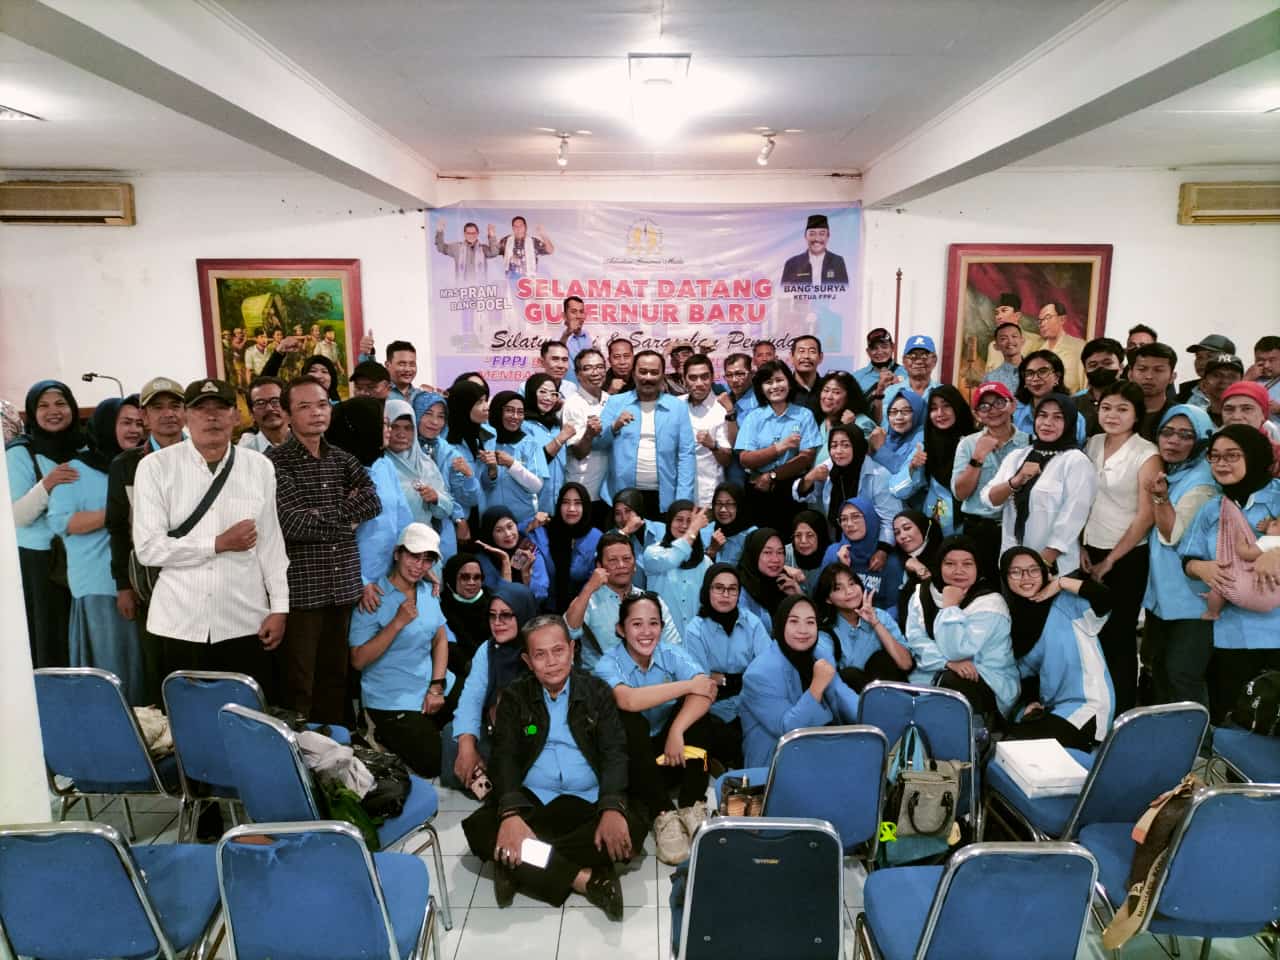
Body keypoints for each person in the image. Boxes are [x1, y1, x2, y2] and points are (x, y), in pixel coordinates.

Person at [462, 614, 644, 919]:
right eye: (540, 655)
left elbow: (614, 752)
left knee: (633, 830)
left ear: (572, 649)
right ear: (527, 661)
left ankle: (518, 861)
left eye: (558, 651)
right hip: (533, 803)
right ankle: (585, 879)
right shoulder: (515, 697)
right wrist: (510, 814)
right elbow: (504, 756)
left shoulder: (597, 692)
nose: (551, 662)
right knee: (480, 830)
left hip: (588, 802)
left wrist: (612, 807)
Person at [133, 378, 288, 697]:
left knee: (245, 714)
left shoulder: (259, 467)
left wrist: (280, 608)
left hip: (245, 619)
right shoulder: (155, 468)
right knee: (184, 717)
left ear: (236, 416)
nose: (212, 416)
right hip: (178, 621)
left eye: (221, 408)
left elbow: (271, 543)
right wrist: (217, 544)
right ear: (186, 417)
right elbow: (148, 549)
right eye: (201, 409)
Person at [268, 376, 380, 723]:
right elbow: (294, 523)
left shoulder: (343, 458)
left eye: (322, 405)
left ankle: (334, 744)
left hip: (342, 587)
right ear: (287, 415)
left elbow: (372, 502)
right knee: (299, 683)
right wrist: (346, 518)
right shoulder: (275, 462)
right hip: (302, 591)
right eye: (304, 407)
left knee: (336, 680)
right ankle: (300, 749)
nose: (317, 413)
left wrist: (323, 514)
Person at [595, 593, 715, 864]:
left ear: (662, 626)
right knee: (630, 718)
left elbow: (707, 690)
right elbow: (629, 700)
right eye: (637, 624)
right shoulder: (607, 664)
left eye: (653, 623)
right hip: (632, 766)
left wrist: (677, 730)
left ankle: (691, 805)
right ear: (620, 629)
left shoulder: (671, 653)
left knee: (699, 715)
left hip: (671, 754)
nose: (646, 632)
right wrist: (688, 685)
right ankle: (663, 814)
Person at [1177, 425, 1280, 720]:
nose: (1222, 464)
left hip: (1277, 634)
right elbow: (1188, 557)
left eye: (1232, 455)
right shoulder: (1213, 508)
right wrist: (1201, 568)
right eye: (1215, 456)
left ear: (1254, 455)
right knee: (1235, 718)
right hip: (1233, 635)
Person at [48, 397, 145, 703]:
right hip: (100, 584)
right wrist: (118, 513)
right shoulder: (75, 470)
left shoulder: (142, 464)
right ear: (105, 425)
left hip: (142, 580)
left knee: (142, 670)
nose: (134, 429)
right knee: (116, 670)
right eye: (125, 422)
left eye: (139, 423)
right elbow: (61, 522)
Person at [106, 376, 186, 703]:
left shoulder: (204, 454)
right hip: (150, 583)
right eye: (158, 407)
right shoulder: (126, 465)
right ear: (145, 416)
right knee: (160, 664)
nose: (168, 414)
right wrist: (123, 586)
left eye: (175, 406)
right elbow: (117, 528)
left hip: (201, 578)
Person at [1081, 381, 1160, 714]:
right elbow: (1081, 498)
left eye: (1122, 409)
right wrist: (1080, 544)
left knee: (1119, 635)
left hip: (1127, 556)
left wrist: (1111, 560)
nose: (1112, 415)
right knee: (1089, 635)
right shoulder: (1092, 443)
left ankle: (1123, 711)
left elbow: (1146, 516)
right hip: (1089, 551)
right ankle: (1094, 709)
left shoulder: (1147, 454)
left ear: (1136, 414)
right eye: (1106, 408)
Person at [348, 523, 451, 777]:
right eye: (414, 556)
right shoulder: (373, 597)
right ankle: (375, 732)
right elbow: (358, 660)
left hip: (429, 686)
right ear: (397, 554)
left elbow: (440, 639)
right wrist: (396, 623)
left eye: (427, 560)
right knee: (433, 764)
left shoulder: (428, 591)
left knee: (479, 716)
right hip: (391, 698)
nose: (419, 566)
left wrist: (437, 686)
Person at [1000, 547, 1114, 750]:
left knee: (1026, 748)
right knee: (1010, 747)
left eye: (1034, 570)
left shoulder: (1067, 603)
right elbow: (1026, 675)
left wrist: (1062, 583)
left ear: (1044, 572)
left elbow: (1106, 598)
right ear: (1005, 578)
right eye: (1016, 572)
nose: (1026, 577)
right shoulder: (1014, 621)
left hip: (1088, 705)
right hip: (1051, 708)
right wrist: (1029, 703)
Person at [1140, 405, 1216, 708]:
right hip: (1165, 597)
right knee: (1159, 669)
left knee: (1182, 675)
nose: (1173, 441)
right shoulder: (1175, 472)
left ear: (1201, 441)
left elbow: (1172, 534)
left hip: (1192, 600)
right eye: (1167, 432)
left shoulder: (1202, 482)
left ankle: (1198, 737)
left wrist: (1160, 498)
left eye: (1186, 435)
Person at [903, 536, 1018, 724]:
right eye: (950, 564)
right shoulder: (922, 593)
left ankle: (973, 735)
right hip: (931, 674)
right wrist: (947, 663)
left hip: (986, 679)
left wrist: (950, 606)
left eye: (967, 564)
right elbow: (916, 640)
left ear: (977, 567)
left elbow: (958, 650)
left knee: (954, 681)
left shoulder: (990, 602)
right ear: (939, 565)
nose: (959, 571)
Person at [8, 379, 81, 668]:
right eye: (43, 406)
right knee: (51, 637)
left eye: (61, 403)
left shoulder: (86, 446)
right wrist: (47, 484)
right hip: (40, 563)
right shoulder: (20, 452)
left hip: (82, 555)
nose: (54, 411)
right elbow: (17, 516)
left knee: (80, 636)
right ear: (32, 412)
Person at [739, 594, 860, 769]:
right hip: (777, 763)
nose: (803, 630)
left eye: (810, 622)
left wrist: (874, 718)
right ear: (781, 624)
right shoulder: (759, 674)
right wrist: (816, 687)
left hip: (822, 745)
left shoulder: (819, 653)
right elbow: (788, 729)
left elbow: (842, 694)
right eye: (794, 621)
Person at [981, 393, 1096, 574]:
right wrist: (1015, 481)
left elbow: (1073, 517)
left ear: (1070, 422)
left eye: (1057, 417)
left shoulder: (1076, 461)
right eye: (1042, 415)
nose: (1047, 423)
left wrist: (1039, 566)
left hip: (1053, 567)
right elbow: (989, 500)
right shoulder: (1018, 456)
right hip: (1012, 563)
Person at [326, 399, 415, 623]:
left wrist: (414, 559)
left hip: (390, 577)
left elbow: (404, 520)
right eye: (383, 424)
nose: (389, 430)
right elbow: (335, 539)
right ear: (363, 427)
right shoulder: (337, 473)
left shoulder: (384, 464)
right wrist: (361, 581)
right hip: (351, 584)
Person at [444, 581, 537, 793]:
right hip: (494, 727)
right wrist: (467, 745)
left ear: (523, 613)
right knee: (454, 735)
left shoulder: (539, 648)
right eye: (492, 615)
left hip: (532, 729)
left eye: (506, 615)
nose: (497, 623)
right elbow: (471, 698)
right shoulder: (488, 649)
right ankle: (487, 784)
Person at [682, 564, 772, 769]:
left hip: (751, 702)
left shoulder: (752, 623)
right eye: (719, 588)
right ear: (707, 590)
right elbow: (702, 683)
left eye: (732, 589)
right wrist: (743, 677)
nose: (725, 595)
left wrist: (724, 679)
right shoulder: (695, 630)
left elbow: (766, 673)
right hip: (715, 708)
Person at [598, 349, 697, 517]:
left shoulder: (677, 407)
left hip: (664, 497)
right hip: (622, 496)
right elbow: (598, 444)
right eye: (643, 372)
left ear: (662, 375)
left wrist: (683, 499)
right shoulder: (615, 403)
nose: (648, 377)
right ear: (633, 374)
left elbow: (686, 455)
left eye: (654, 372)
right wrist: (614, 427)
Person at [565, 533, 682, 670]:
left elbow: (673, 646)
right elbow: (569, 631)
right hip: (601, 680)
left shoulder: (652, 601)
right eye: (613, 560)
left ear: (635, 565)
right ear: (599, 566)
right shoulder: (588, 601)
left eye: (626, 559)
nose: (621, 565)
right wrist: (589, 588)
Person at [951, 382, 1029, 575]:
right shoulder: (968, 444)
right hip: (978, 529)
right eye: (984, 406)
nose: (993, 410)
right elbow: (960, 494)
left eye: (999, 403)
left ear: (1012, 404)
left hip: (1018, 529)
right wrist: (978, 457)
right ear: (977, 414)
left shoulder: (1029, 442)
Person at [734, 359, 821, 526]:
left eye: (780, 380)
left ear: (789, 382)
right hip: (758, 488)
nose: (775, 386)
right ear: (761, 388)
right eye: (768, 382)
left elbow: (806, 457)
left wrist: (772, 476)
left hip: (792, 488)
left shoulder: (804, 415)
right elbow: (745, 458)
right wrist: (779, 448)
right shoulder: (754, 417)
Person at [813, 563, 911, 691]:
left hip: (892, 692)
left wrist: (875, 623)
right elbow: (832, 682)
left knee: (880, 660)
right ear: (828, 599)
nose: (849, 591)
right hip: (854, 696)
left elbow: (906, 664)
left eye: (852, 583)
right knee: (849, 675)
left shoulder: (880, 616)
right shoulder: (826, 632)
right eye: (838, 588)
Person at [894, 385, 975, 535]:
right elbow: (899, 491)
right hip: (939, 521)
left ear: (957, 407)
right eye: (933, 408)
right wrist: (913, 467)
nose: (940, 413)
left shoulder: (976, 442)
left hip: (975, 523)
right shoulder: (925, 444)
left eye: (946, 406)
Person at [384, 398, 456, 552]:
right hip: (387, 547)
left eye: (408, 428)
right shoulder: (377, 464)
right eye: (394, 427)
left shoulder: (426, 464)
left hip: (422, 547)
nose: (401, 434)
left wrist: (436, 498)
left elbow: (446, 509)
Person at [414, 390, 475, 555]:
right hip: (413, 525)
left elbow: (466, 497)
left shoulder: (449, 452)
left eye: (441, 416)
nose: (434, 422)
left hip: (443, 527)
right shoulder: (405, 449)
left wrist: (469, 476)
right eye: (428, 414)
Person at [820, 497, 904, 612]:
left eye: (855, 517)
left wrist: (876, 621)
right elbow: (821, 595)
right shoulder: (834, 552)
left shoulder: (888, 560)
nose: (849, 524)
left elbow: (894, 606)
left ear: (870, 519)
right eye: (843, 519)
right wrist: (841, 568)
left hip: (878, 619)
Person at [530, 482, 602, 613]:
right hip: (545, 608)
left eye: (578, 503)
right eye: (566, 502)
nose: (571, 508)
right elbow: (515, 533)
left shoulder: (596, 537)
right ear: (559, 505)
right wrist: (530, 524)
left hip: (585, 609)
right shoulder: (544, 531)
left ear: (586, 506)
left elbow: (595, 580)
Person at [479, 391, 546, 528]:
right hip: (491, 522)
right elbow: (480, 484)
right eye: (509, 410)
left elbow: (536, 486)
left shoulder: (530, 444)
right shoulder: (485, 441)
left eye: (520, 412)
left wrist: (512, 464)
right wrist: (492, 470)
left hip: (524, 522)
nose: (515, 416)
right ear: (497, 411)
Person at [642, 501, 711, 635]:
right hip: (662, 636)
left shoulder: (705, 562)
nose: (684, 526)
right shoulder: (653, 553)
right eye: (679, 520)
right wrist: (692, 530)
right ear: (669, 522)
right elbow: (672, 558)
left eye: (690, 521)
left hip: (695, 637)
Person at [561, 348, 611, 523]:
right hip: (585, 489)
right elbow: (578, 452)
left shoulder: (611, 400)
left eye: (600, 367)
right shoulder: (573, 404)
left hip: (609, 490)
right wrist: (589, 434)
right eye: (588, 368)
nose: (595, 372)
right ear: (577, 374)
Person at [680, 353, 732, 507]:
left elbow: (727, 460)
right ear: (684, 379)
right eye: (693, 378)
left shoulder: (721, 410)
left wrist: (713, 445)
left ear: (712, 378)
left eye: (704, 377)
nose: (699, 383)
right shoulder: (675, 405)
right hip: (677, 493)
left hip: (707, 496)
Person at [522, 373, 575, 516]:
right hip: (533, 506)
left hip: (558, 505)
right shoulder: (524, 425)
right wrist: (560, 439)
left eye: (553, 394)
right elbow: (534, 464)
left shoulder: (557, 425)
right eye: (543, 392)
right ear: (531, 393)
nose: (548, 398)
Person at [471, 506, 546, 600]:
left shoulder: (528, 549)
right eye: (499, 530)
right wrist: (505, 562)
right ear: (490, 534)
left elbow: (540, 596)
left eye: (510, 526)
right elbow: (500, 600)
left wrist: (525, 574)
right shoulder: (482, 561)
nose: (508, 534)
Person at [445, 379, 492, 527]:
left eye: (486, 401)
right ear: (464, 406)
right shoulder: (448, 444)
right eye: (479, 402)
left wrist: (492, 469)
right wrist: (458, 518)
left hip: (478, 517)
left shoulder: (477, 438)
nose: (486, 407)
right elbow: (456, 494)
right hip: (459, 522)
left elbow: (486, 485)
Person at [738, 528, 804, 631]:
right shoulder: (738, 590)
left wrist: (798, 596)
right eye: (767, 552)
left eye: (780, 552)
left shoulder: (784, 582)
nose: (775, 559)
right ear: (754, 554)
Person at [1012, 351, 1085, 444]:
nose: (1035, 378)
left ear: (1057, 377)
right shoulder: (1013, 413)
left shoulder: (1074, 417)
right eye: (1029, 373)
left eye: (1042, 372)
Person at [439, 551, 491, 681]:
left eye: (477, 577)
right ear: (452, 577)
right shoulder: (441, 608)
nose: (472, 582)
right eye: (465, 577)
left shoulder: (493, 602)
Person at [892, 509, 943, 629]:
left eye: (907, 528)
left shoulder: (944, 558)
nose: (902, 536)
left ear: (922, 527)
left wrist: (922, 571)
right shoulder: (895, 559)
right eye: (897, 533)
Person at [609, 487, 664, 587]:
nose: (623, 518)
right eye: (618, 513)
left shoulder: (662, 529)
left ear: (638, 510)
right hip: (630, 595)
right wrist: (625, 532)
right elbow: (602, 561)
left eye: (628, 511)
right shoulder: (610, 537)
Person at [1074, 338, 1126, 434]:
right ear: (1085, 371)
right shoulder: (1073, 404)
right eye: (1093, 365)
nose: (1100, 368)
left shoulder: (1133, 400)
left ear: (1121, 367)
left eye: (1107, 363)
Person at [1130, 342, 1179, 441]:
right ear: (1130, 375)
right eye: (1142, 369)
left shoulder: (1179, 415)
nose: (1149, 376)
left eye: (1158, 370)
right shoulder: (1115, 412)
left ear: (1172, 377)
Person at [780, 214, 848, 284]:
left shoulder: (838, 261)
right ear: (805, 236)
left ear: (828, 236)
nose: (817, 239)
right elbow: (783, 290)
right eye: (812, 234)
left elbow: (845, 289)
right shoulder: (792, 263)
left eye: (822, 234)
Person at [1035, 302, 1086, 394]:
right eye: (1040, 321)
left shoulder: (1079, 347)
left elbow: (1085, 386)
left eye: (1047, 318)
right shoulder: (1039, 352)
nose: (1042, 324)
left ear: (1062, 319)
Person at [814, 370, 875, 443]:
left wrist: (849, 428)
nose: (828, 397)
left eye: (836, 392)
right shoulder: (819, 421)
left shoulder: (863, 423)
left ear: (849, 397)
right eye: (826, 390)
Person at [703, 482, 756, 566]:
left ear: (739, 506)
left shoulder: (752, 535)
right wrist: (712, 550)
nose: (723, 509)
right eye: (719, 503)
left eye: (729, 504)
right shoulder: (705, 531)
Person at [853, 328, 908, 409]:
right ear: (868, 351)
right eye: (874, 348)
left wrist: (899, 388)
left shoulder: (907, 373)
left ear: (893, 347)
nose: (879, 351)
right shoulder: (856, 377)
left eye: (884, 347)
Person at [1178, 334, 1236, 405]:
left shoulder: (1238, 393)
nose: (1201, 362)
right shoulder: (1186, 391)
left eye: (1209, 356)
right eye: (1199, 357)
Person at [434, 219, 499, 282]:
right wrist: (440, 231)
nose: (471, 235)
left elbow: (494, 252)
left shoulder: (483, 248)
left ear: (477, 233)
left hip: (480, 287)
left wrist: (492, 235)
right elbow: (441, 248)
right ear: (464, 234)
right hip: (462, 287)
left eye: (474, 233)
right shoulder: (457, 248)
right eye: (468, 233)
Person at [237, 376, 290, 453]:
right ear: (251, 413)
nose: (269, 408)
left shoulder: (304, 441)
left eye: (275, 401)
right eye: (260, 403)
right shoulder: (245, 451)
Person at [784, 508, 830, 594]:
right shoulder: (784, 553)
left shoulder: (833, 556)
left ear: (820, 536)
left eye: (810, 535)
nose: (803, 541)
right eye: (798, 535)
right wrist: (782, 569)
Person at [1198, 353, 1245, 424]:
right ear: (1204, 385)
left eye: (1232, 376)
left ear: (1242, 385)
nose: (1225, 381)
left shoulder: (1253, 420)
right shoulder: (1194, 419)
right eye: (1216, 375)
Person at [984, 321, 1025, 395]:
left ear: (1022, 341)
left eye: (1014, 336)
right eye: (1003, 339)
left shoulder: (1035, 370)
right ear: (996, 346)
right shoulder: (990, 379)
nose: (1010, 341)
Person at [558, 295, 593, 376]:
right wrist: (567, 334)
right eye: (574, 312)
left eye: (581, 312)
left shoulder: (587, 335)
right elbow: (557, 354)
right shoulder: (558, 336)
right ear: (564, 316)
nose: (578, 316)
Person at [789, 335, 825, 411]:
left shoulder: (827, 389)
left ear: (820, 357)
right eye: (801, 351)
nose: (806, 356)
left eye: (812, 352)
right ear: (791, 357)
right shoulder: (783, 389)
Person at [384, 340, 424, 405]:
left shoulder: (421, 395)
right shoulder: (379, 394)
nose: (407, 369)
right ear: (387, 365)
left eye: (412, 364)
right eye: (402, 364)